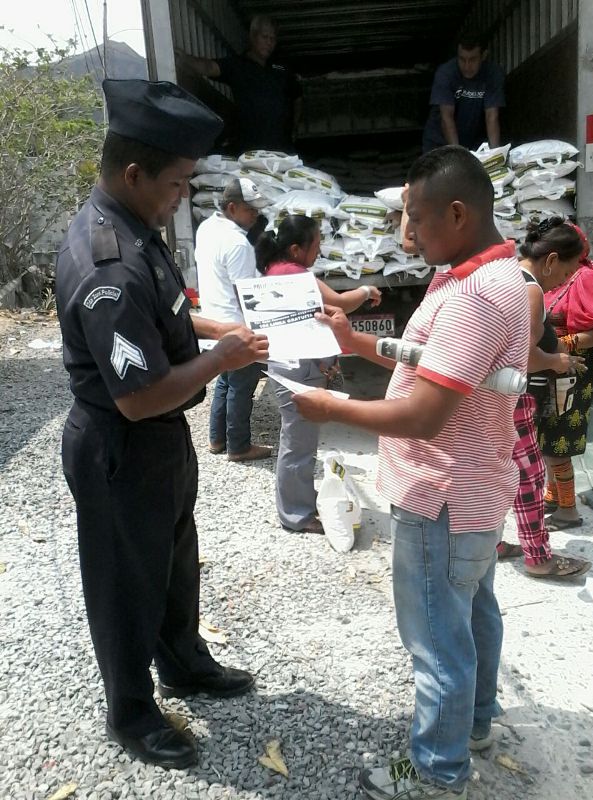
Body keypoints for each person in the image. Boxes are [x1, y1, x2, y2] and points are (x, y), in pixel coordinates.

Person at [293, 146, 530, 799]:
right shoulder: (484, 274)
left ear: (456, 213)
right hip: (473, 491)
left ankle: (435, 769)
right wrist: (358, 342)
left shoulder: (476, 296)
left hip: (441, 495)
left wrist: (331, 407)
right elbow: (429, 356)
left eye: (417, 219)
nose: (409, 233)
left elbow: (424, 415)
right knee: (473, 614)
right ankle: (474, 726)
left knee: (436, 642)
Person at [55, 78, 269, 770]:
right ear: (133, 173)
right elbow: (139, 396)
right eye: (175, 183)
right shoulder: (107, 265)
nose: (182, 196)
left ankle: (183, 662)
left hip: (160, 441)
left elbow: (167, 315)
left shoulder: (138, 231)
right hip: (122, 444)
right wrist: (223, 360)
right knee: (125, 581)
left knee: (173, 559)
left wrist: (218, 330)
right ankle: (132, 714)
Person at [255, 215, 381, 534]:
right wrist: (366, 289)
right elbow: (340, 303)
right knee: (298, 442)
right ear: (296, 249)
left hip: (288, 364)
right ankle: (296, 515)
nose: (319, 251)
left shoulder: (274, 270)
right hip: (297, 368)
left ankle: (299, 503)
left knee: (297, 439)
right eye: (316, 245)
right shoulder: (296, 275)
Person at [496, 218, 591, 579]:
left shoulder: (505, 273)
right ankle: (538, 558)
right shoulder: (531, 289)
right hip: (514, 394)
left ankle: (492, 542)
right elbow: (523, 354)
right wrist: (557, 361)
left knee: (497, 471)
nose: (564, 281)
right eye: (566, 272)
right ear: (551, 261)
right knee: (530, 476)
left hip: (493, 392)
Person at [195, 177, 272, 461]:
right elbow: (246, 295)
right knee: (242, 386)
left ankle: (217, 440)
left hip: (213, 322)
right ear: (232, 207)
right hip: (237, 325)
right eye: (250, 209)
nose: (255, 215)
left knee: (225, 381)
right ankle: (239, 446)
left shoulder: (206, 228)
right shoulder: (238, 243)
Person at [539, 224, 593, 529]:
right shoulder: (554, 276)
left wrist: (563, 344)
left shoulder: (586, 277)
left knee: (557, 440)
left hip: (573, 369)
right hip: (553, 365)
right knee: (547, 436)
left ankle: (568, 510)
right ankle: (553, 495)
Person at [178, 15, 301, 154]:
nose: (269, 43)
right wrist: (185, 59)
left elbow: (297, 97)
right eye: (265, 37)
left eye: (273, 39)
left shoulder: (282, 69)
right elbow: (209, 67)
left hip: (282, 149)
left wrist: (295, 127)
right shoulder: (237, 66)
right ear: (253, 36)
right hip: (249, 150)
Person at [423, 32, 505, 153]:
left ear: (484, 56)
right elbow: (446, 117)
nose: (467, 66)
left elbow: (491, 116)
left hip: (472, 141)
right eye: (462, 59)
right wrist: (459, 155)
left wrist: (496, 154)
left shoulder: (493, 74)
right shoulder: (445, 74)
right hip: (439, 143)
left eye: (472, 60)